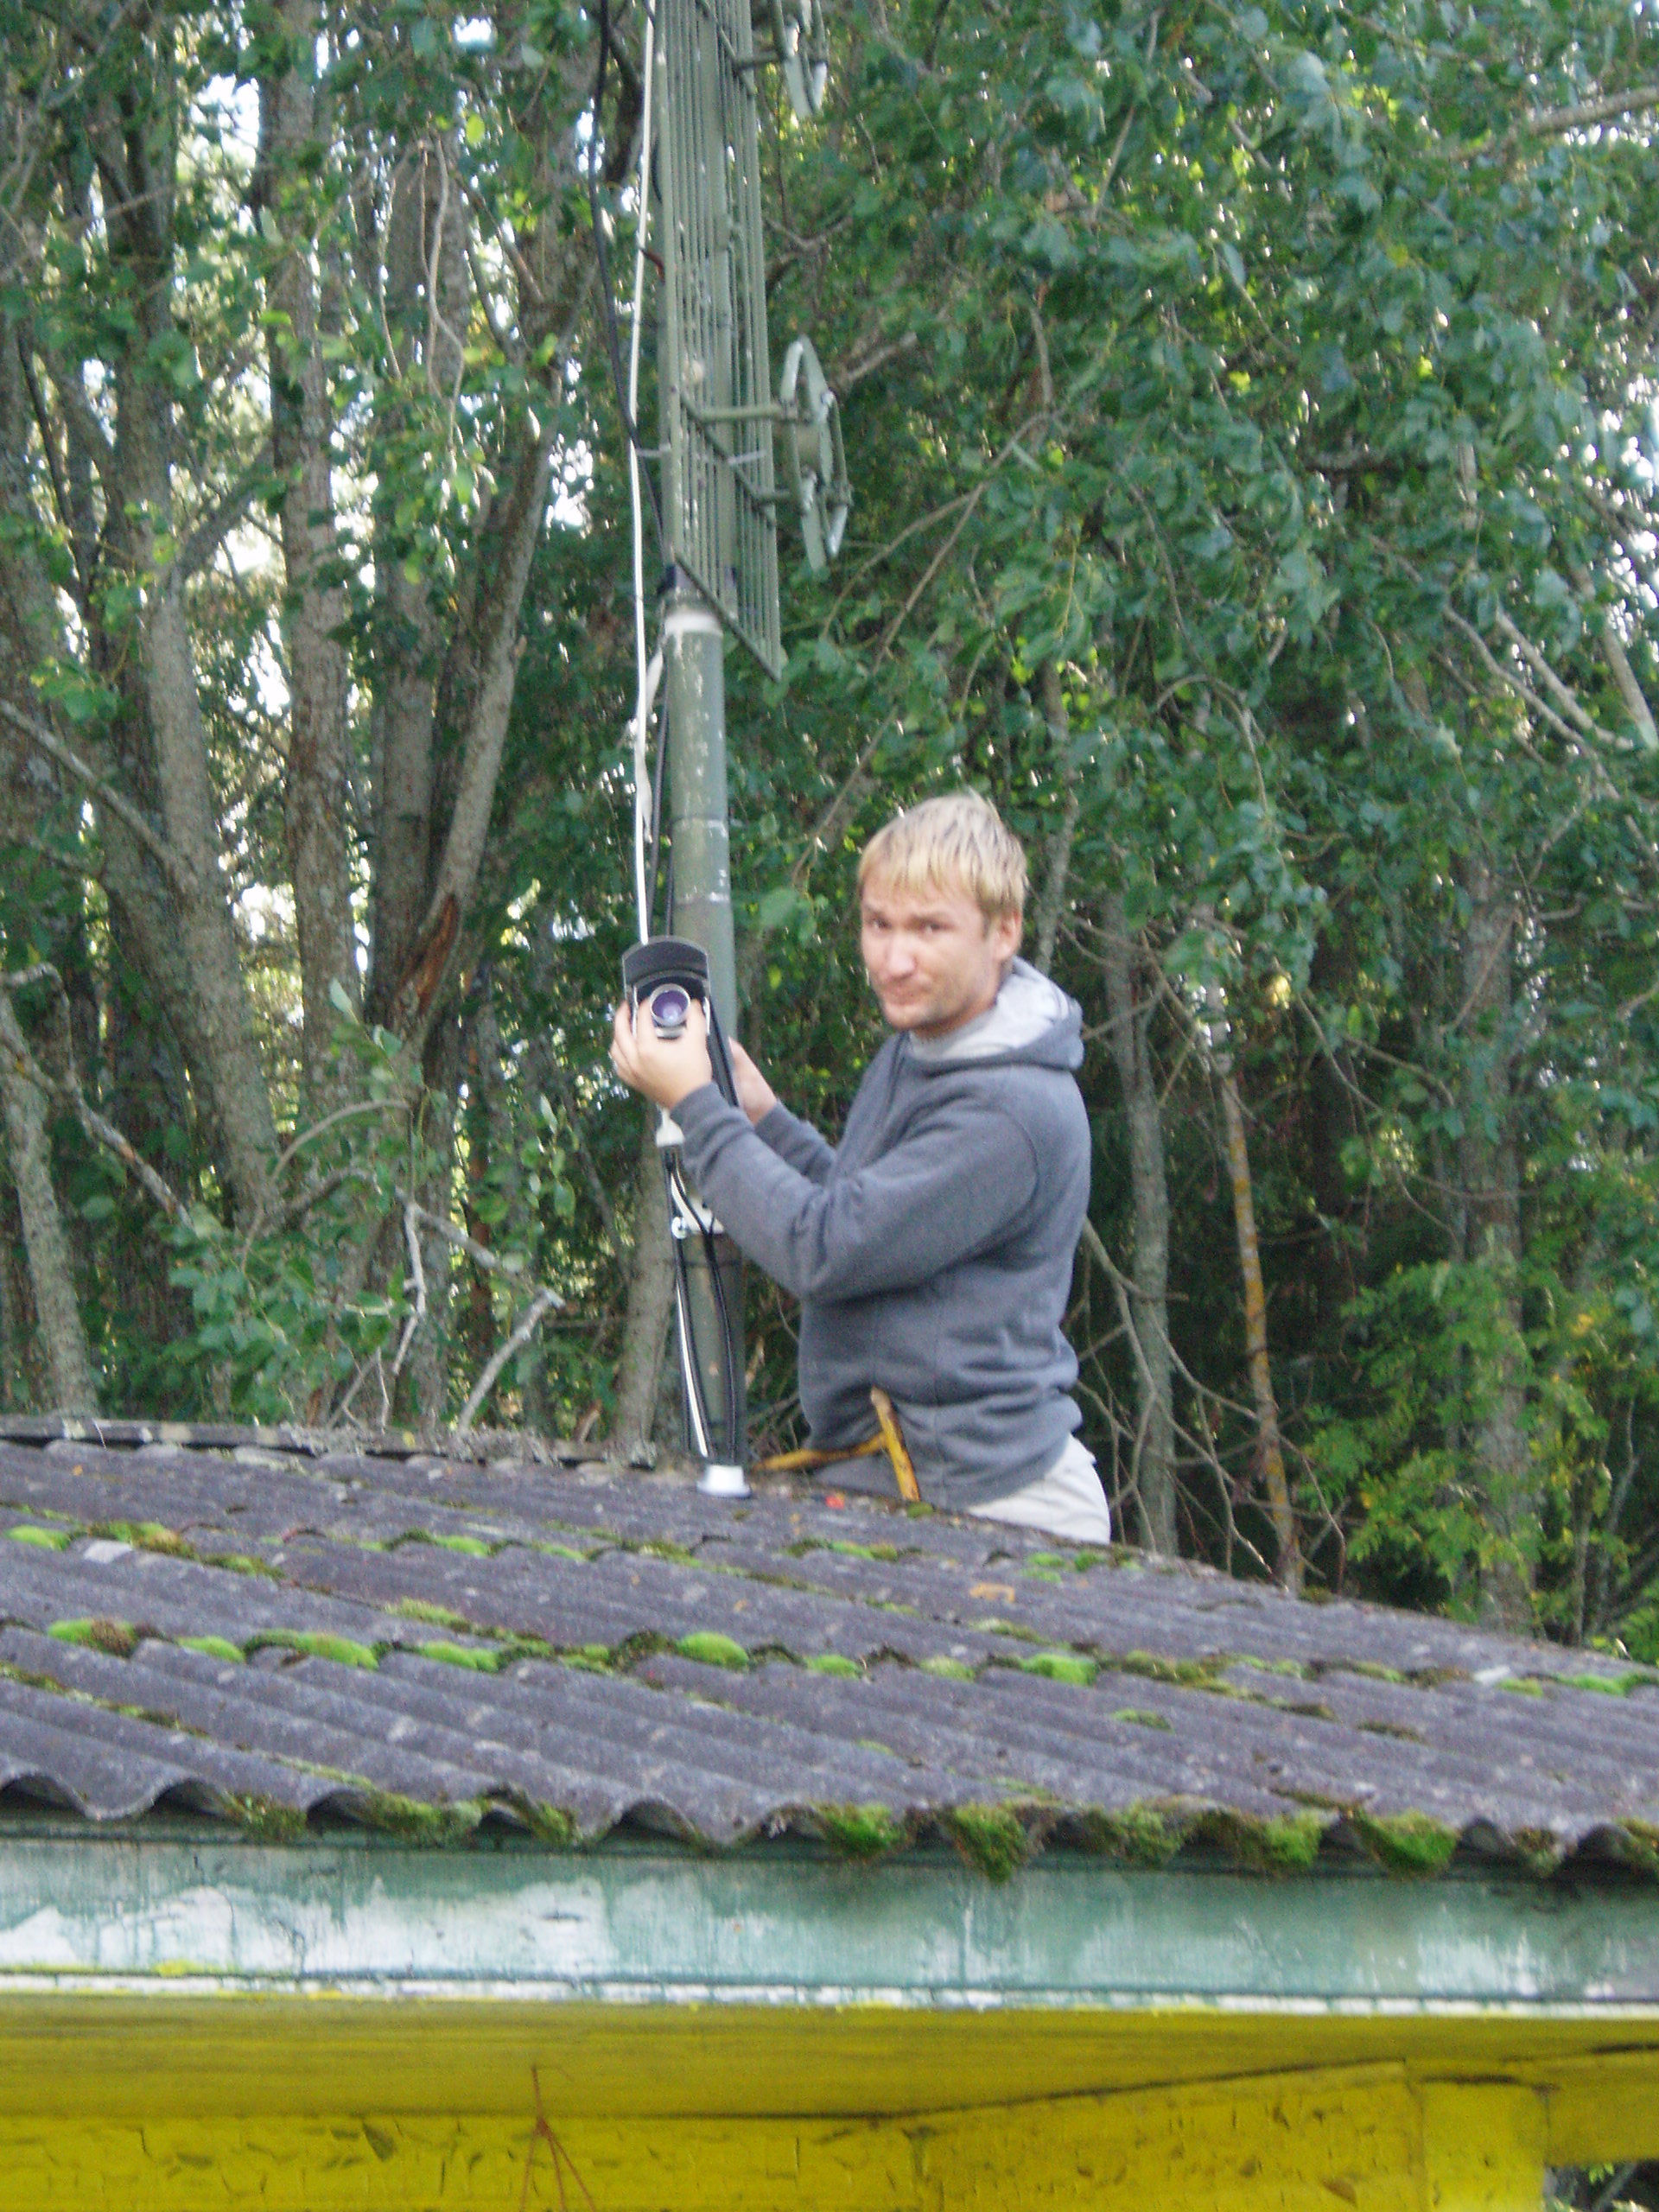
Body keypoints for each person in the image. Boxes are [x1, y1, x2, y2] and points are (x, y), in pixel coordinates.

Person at [610, 791, 1110, 1544]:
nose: (894, 959)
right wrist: (760, 1116)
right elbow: (867, 1208)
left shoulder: (1011, 1110)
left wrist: (695, 1108)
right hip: (901, 1477)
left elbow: (825, 1250)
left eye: (929, 929)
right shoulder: (926, 1045)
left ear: (1003, 932)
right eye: (879, 925)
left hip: (989, 1504)